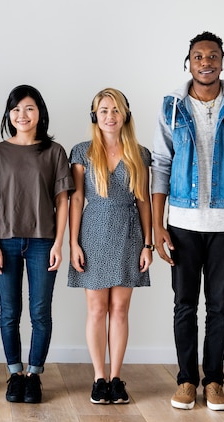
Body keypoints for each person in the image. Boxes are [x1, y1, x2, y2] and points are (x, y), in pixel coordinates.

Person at [151, 31, 224, 411]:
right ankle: (186, 381)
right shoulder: (172, 108)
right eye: (199, 56)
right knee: (184, 305)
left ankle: (213, 381)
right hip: (181, 221)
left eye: (213, 56)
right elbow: (160, 166)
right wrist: (158, 224)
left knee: (218, 306)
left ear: (222, 61)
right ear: (189, 62)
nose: (206, 62)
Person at [0, 85, 73, 404]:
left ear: (40, 113)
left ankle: (33, 375)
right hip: (5, 242)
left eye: (30, 108)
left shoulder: (54, 152)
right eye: (17, 109)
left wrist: (59, 243)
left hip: (42, 242)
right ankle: (14, 373)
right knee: (9, 312)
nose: (23, 115)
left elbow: (64, 202)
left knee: (40, 312)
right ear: (9, 114)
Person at [68, 88, 152, 405]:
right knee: (96, 309)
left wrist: (148, 244)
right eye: (103, 110)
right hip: (93, 232)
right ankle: (98, 378)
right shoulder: (82, 152)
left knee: (119, 310)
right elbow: (76, 199)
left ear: (125, 114)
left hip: (129, 232)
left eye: (115, 110)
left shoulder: (140, 154)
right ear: (94, 116)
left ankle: (116, 378)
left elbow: (143, 201)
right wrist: (73, 242)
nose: (110, 116)